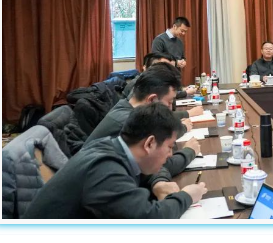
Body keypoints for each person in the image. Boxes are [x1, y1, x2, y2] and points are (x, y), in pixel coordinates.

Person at [23, 102, 207, 219]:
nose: (170, 154)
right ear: (149, 143)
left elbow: (147, 173)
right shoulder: (106, 170)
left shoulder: (110, 146)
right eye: (169, 146)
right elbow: (149, 218)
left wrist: (159, 182)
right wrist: (187, 196)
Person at [84, 63, 200, 192]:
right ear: (152, 100)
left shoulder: (127, 107)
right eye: (169, 102)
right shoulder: (129, 121)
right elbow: (159, 165)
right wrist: (190, 151)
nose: (170, 108)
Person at [124, 53, 204, 118]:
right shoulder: (139, 84)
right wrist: (188, 114)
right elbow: (153, 118)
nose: (168, 72)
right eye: (163, 68)